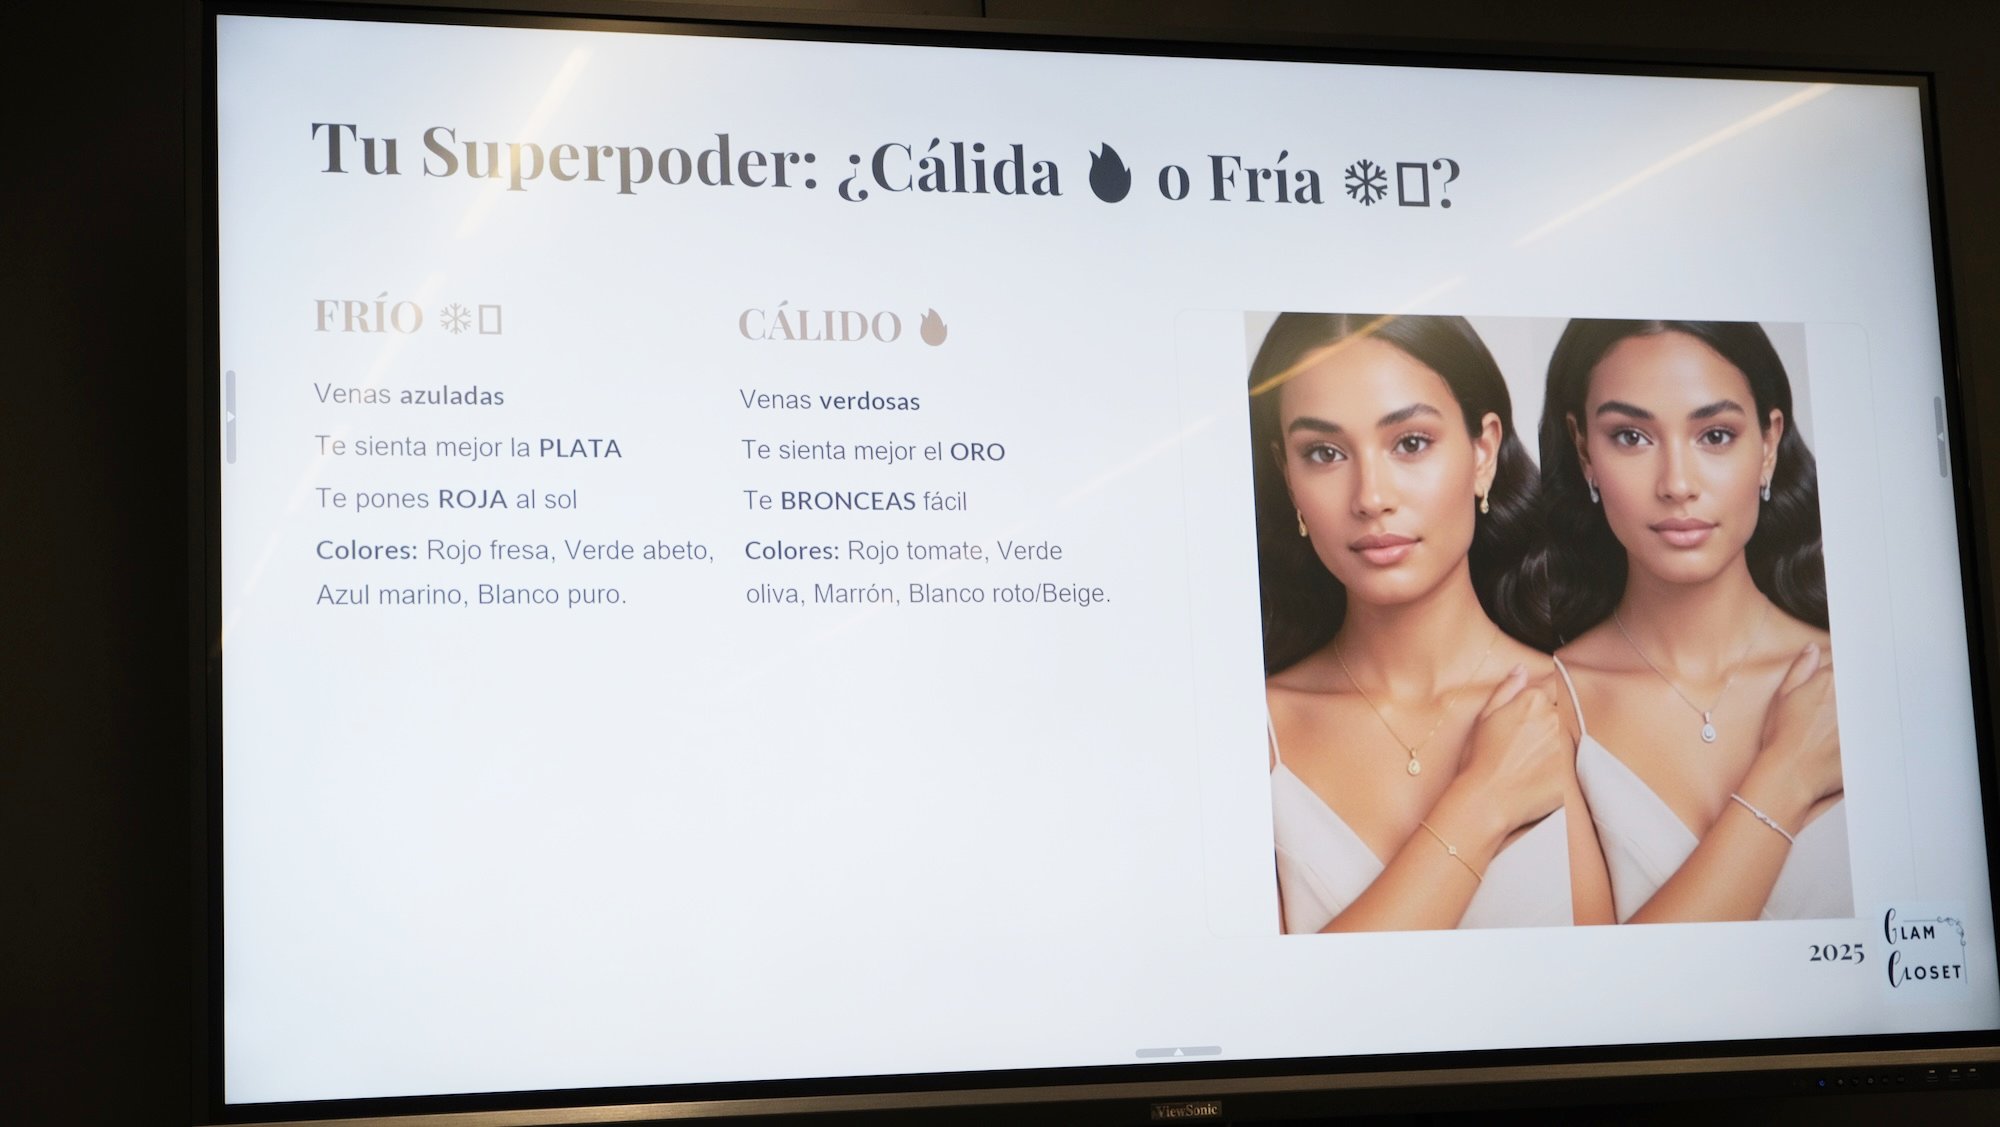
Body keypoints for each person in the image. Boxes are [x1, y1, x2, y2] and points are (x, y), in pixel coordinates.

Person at [1251, 313, 1613, 933]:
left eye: (1411, 443)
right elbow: (1281, 994)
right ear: (1289, 476)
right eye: (1325, 453)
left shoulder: (1584, 704)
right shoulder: (1252, 732)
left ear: (1483, 451)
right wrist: (1483, 801)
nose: (1371, 497)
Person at [1537, 320, 1847, 922]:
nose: (1677, 484)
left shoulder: (1860, 677)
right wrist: (1787, 775)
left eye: (1715, 435)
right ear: (1585, 452)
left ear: (1769, 444)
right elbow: (1598, 978)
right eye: (1631, 437)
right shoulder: (1548, 705)